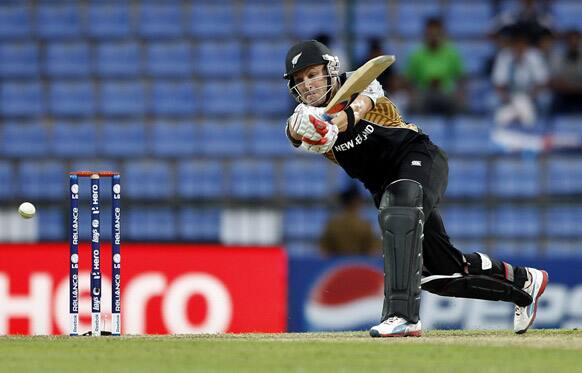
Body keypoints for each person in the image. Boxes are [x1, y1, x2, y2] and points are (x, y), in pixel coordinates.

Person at [282, 40, 548, 337]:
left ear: (330, 70)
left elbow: (365, 100)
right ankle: (525, 283)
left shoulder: (360, 82)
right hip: (384, 186)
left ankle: (402, 315)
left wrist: (341, 119)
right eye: (300, 80)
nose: (307, 85)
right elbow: (294, 130)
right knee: (441, 274)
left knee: (400, 202)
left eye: (313, 74)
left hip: (419, 157)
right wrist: (312, 128)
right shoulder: (303, 117)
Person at [404, 17, 465, 116]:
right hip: (424, 92)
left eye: (436, 33)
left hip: (446, 92)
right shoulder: (416, 54)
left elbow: (461, 77)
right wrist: (412, 94)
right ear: (426, 34)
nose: (433, 36)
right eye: (430, 33)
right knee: (415, 105)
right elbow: (408, 79)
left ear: (441, 33)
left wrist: (460, 94)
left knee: (457, 105)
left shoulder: (452, 53)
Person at [319, 184, 380, 256]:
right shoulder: (365, 225)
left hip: (337, 265)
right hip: (359, 265)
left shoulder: (332, 224)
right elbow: (373, 251)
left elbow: (323, 250)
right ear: (356, 202)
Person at [549, 30, 582, 114]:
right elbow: (556, 82)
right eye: (570, 40)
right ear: (565, 42)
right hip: (564, 93)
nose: (573, 43)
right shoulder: (558, 57)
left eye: (576, 40)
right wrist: (572, 87)